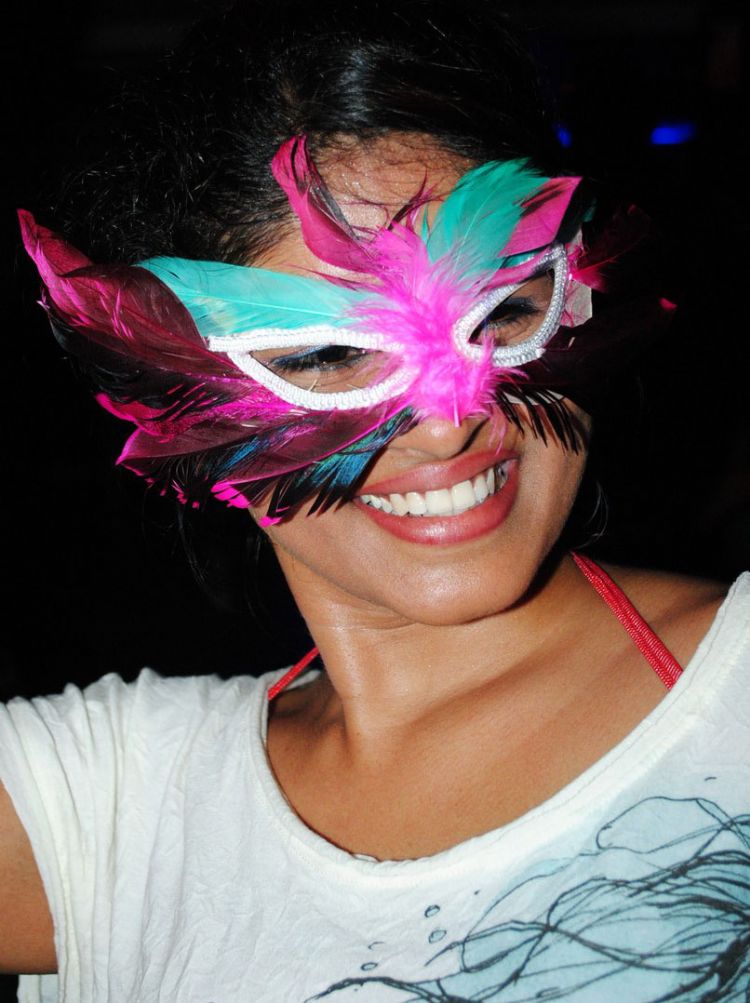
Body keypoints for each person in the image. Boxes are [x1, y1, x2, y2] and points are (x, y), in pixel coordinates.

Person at [2, 1, 748, 1000]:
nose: (449, 423)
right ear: (170, 387)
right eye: (327, 354)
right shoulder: (107, 815)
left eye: (503, 312)